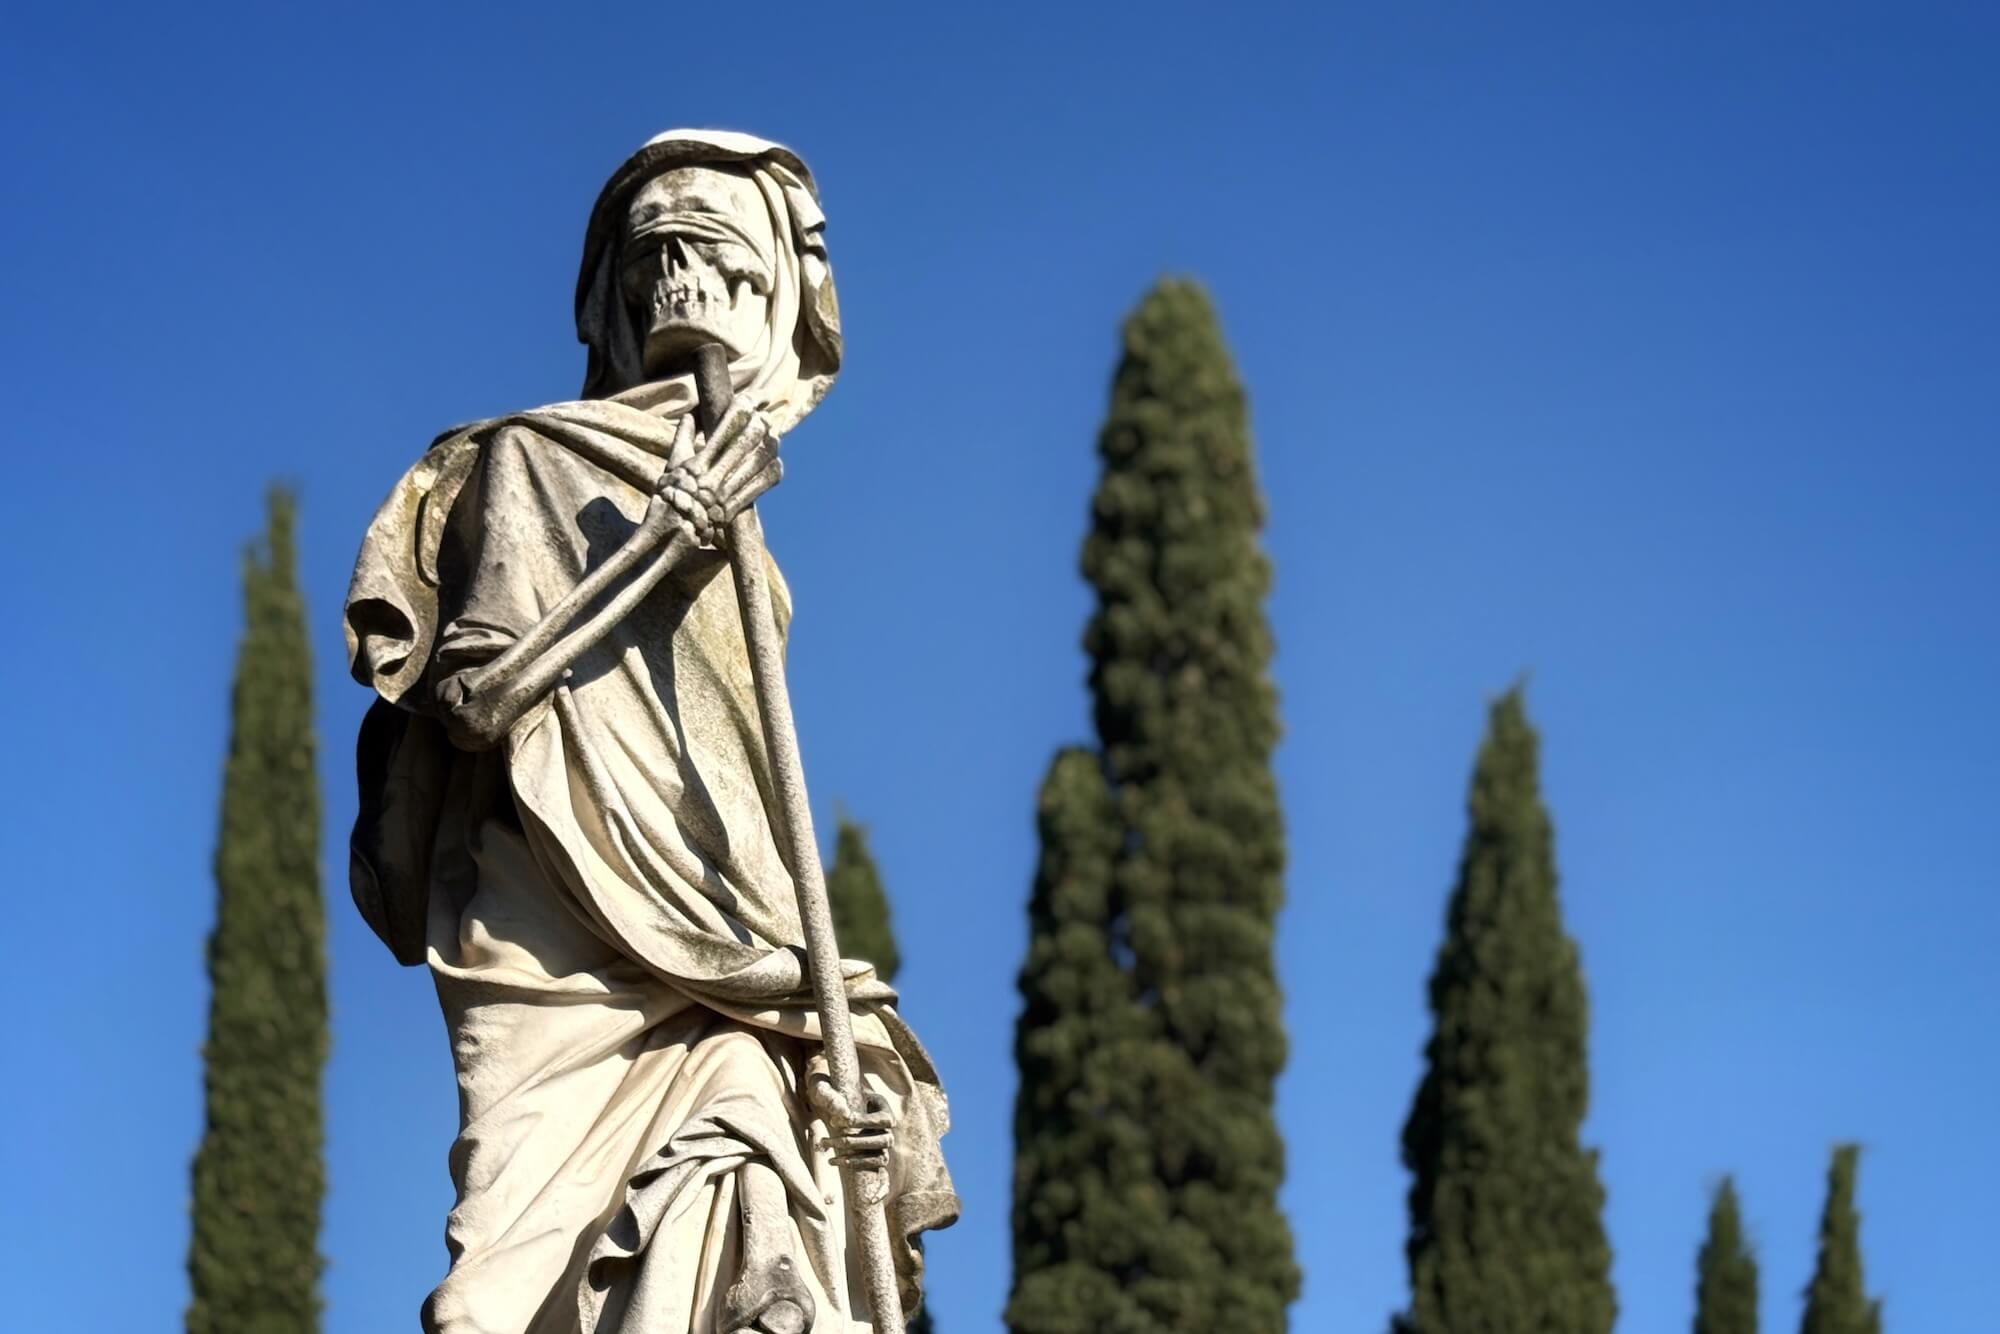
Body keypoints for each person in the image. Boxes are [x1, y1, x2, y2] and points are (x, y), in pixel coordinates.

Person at [344, 129, 955, 1334]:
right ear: (612, 294)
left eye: (712, 248)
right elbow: (471, 703)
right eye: (651, 250)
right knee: (499, 1298)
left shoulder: (757, 542)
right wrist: (667, 539)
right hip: (556, 944)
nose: (678, 272)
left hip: (731, 952)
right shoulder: (529, 459)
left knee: (751, 1203)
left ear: (769, 289)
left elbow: (742, 802)